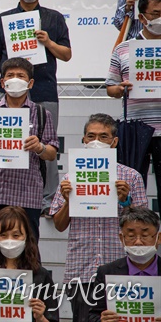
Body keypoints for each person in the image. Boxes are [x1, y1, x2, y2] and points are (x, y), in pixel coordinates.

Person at [0, 0, 71, 217]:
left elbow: (66, 54)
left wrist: (48, 42)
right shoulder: (3, 19)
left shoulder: (54, 18)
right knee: (6, 142)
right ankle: (7, 195)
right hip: (8, 92)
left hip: (43, 89)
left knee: (46, 145)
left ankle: (48, 200)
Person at [49, 113, 147, 322]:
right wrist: (68, 200)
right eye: (90, 136)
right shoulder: (70, 178)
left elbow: (143, 228)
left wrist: (125, 202)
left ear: (114, 142)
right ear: (83, 140)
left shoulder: (131, 177)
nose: (96, 141)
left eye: (103, 137)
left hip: (121, 269)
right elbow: (58, 225)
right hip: (81, 270)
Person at [0, 57, 58, 259]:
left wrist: (40, 147)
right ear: (2, 82)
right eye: (10, 75)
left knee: (28, 252)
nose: (15, 80)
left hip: (27, 192)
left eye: (21, 76)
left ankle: (28, 290)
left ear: (30, 83)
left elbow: (52, 152)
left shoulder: (42, 114)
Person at [107, 0, 161, 214]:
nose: (159, 19)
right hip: (135, 128)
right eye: (156, 14)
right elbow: (111, 87)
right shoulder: (123, 48)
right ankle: (133, 238)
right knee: (131, 190)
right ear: (142, 16)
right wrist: (120, 89)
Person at [0, 206, 59, 322]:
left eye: (16, 235)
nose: (9, 241)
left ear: (26, 237)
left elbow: (53, 318)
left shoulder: (41, 275)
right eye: (3, 235)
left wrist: (41, 318)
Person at [89, 207, 161, 322]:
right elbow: (92, 315)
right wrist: (102, 320)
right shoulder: (107, 272)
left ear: (158, 238)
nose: (138, 242)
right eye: (131, 236)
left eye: (145, 235)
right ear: (122, 238)